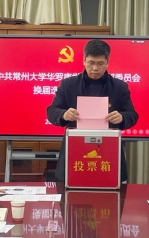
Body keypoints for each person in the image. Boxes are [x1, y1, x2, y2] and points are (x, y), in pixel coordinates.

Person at [46, 38, 138, 182]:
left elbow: (132, 115)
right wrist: (64, 114)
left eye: (100, 63)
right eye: (91, 63)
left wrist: (122, 117)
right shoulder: (68, 85)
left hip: (108, 151)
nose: (95, 68)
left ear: (107, 62)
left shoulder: (119, 87)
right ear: (84, 60)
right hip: (75, 150)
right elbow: (52, 111)